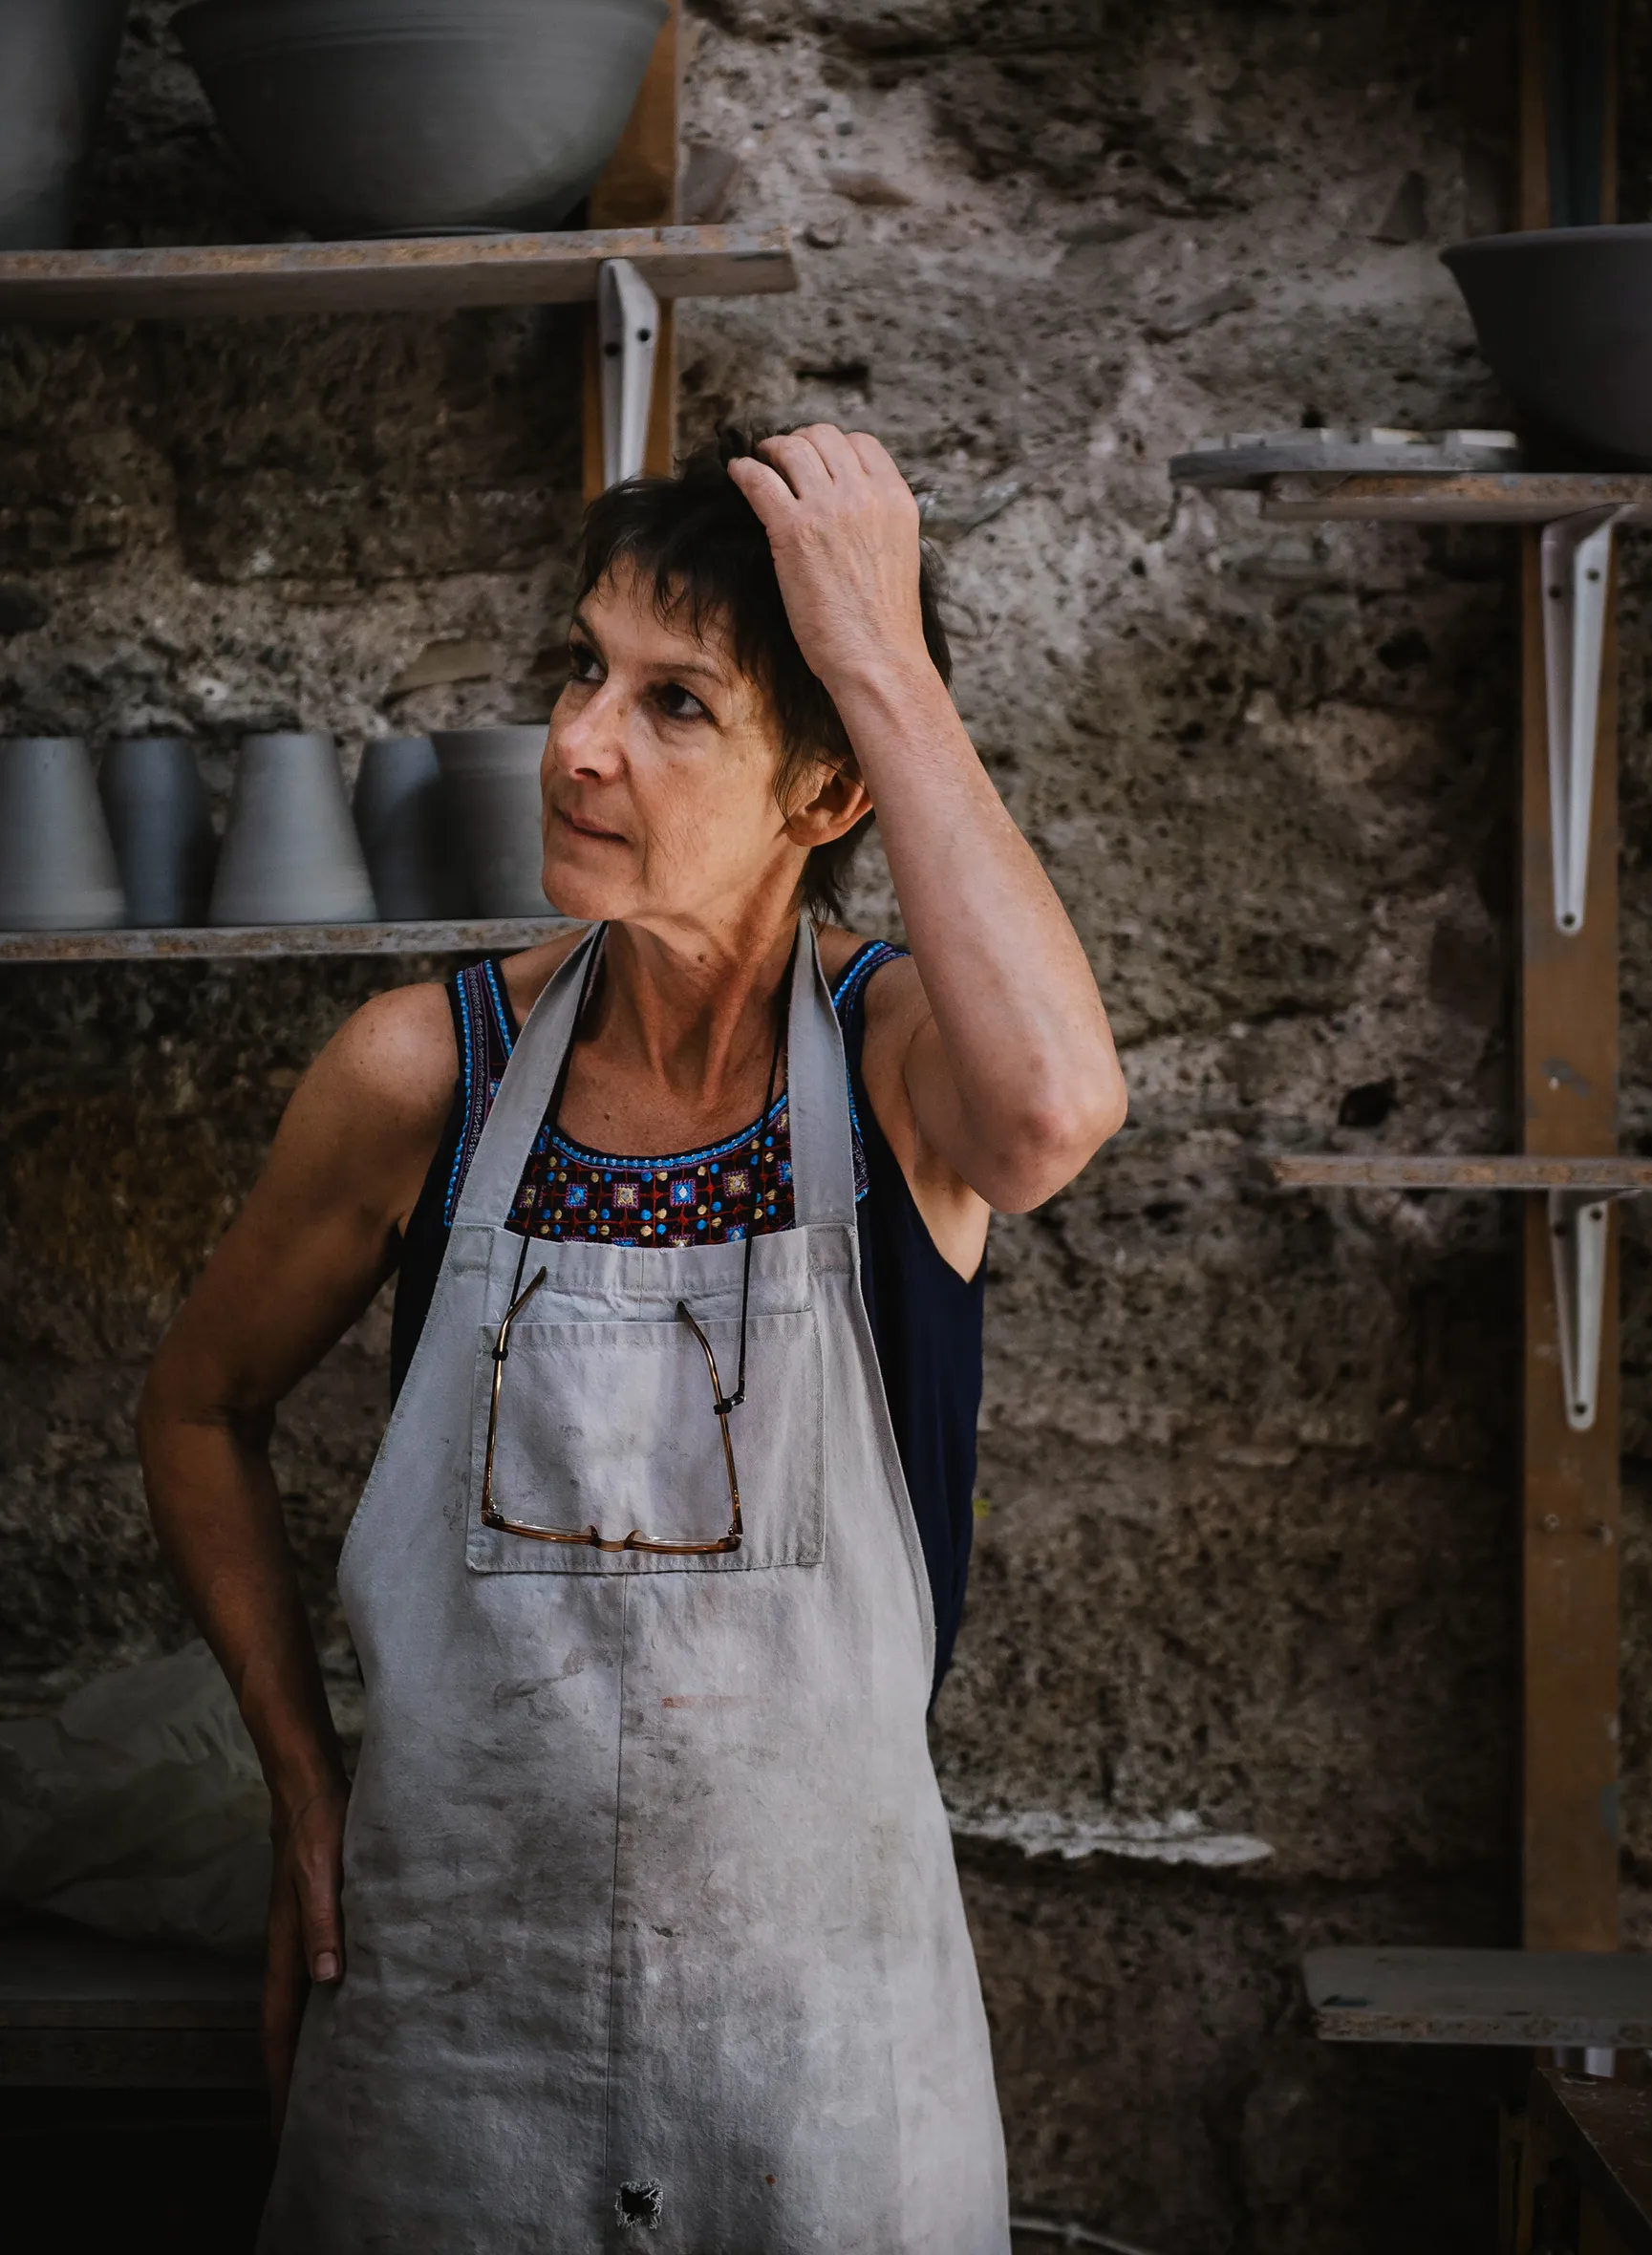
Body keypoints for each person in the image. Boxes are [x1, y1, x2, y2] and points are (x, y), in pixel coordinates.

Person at [139, 421, 1126, 2253]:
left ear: (829, 791)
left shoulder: (900, 1070)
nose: (580, 742)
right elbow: (197, 1404)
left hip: (820, 2072)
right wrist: (298, 1776)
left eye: (681, 705)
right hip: (455, 2054)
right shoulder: (426, 1074)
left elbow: (1056, 1113)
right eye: (583, 670)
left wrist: (880, 656)